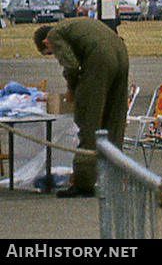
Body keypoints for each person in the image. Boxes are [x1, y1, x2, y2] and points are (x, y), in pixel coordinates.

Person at [34, 17, 130, 198]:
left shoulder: (55, 35)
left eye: (49, 52)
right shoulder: (72, 25)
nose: (53, 55)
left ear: (45, 42)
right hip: (121, 52)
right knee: (114, 119)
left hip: (100, 58)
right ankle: (114, 176)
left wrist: (72, 88)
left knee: (89, 120)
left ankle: (84, 183)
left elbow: (71, 64)